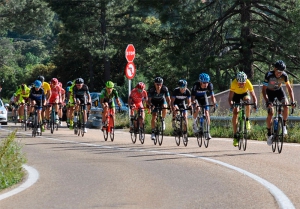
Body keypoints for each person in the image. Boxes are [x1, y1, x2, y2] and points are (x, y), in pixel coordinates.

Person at [262, 60, 296, 145]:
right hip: (270, 93)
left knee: (286, 105)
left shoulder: (284, 75)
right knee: (271, 112)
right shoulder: (269, 75)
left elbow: (289, 89)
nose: (279, 74)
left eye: (281, 72)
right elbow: (263, 90)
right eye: (278, 72)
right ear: (274, 69)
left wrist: (292, 101)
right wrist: (267, 101)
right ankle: (269, 133)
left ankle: (284, 125)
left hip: (279, 91)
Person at [228, 71, 257, 147]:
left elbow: (254, 96)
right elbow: (230, 98)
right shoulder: (234, 83)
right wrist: (231, 105)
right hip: (236, 95)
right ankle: (235, 136)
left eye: (243, 83)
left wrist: (255, 103)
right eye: (240, 83)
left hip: (244, 94)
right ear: (237, 81)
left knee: (247, 101)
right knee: (235, 113)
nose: (241, 84)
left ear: (245, 81)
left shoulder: (248, 82)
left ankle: (247, 120)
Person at [191, 73, 217, 139]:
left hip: (203, 97)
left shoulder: (210, 85)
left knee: (207, 113)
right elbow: (192, 98)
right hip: (196, 98)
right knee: (198, 109)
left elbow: (212, 96)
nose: (206, 84)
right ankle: (194, 122)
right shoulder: (196, 85)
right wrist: (195, 104)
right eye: (204, 83)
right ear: (200, 82)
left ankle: (207, 132)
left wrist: (214, 103)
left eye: (207, 83)